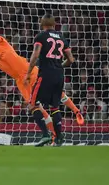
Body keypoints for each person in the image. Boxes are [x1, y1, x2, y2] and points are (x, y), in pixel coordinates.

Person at [0, 20, 83, 145]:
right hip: (21, 82)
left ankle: (76, 111)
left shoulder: (2, 42)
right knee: (36, 107)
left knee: (58, 93)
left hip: (30, 71)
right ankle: (52, 134)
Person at [24, 14, 75, 147]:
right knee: (55, 107)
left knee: (33, 104)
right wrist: (59, 66)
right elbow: (71, 59)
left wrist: (28, 73)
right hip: (59, 76)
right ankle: (59, 138)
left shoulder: (40, 36)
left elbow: (35, 55)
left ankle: (45, 134)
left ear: (42, 24)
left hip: (45, 74)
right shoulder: (62, 38)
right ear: (54, 24)